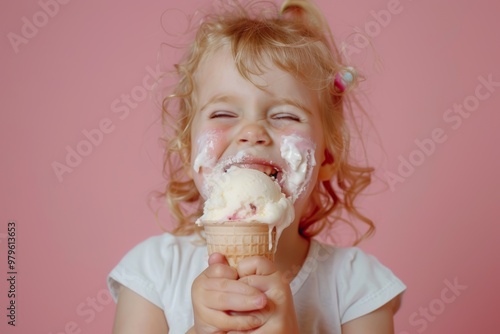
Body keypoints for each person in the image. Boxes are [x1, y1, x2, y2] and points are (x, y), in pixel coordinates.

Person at [108, 0, 406, 332]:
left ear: (327, 156)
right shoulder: (153, 272)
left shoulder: (356, 285)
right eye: (224, 114)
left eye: (285, 116)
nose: (252, 132)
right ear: (187, 147)